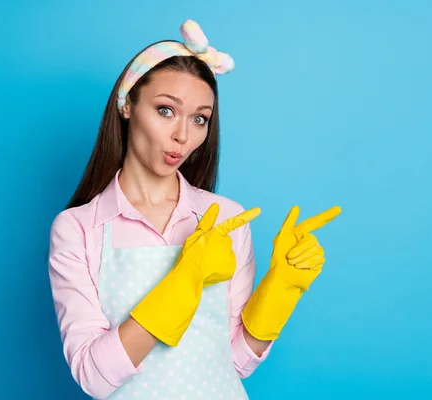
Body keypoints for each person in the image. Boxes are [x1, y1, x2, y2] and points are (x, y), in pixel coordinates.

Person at [48, 19, 341, 400]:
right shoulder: (78, 228)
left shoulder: (226, 218)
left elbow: (234, 363)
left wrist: (280, 291)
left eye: (199, 118)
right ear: (127, 105)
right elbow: (93, 376)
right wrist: (183, 281)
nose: (183, 136)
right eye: (166, 110)